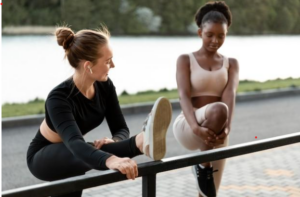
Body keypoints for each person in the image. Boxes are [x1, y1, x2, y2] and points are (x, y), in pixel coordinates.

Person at [26, 26, 172, 197]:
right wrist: (111, 159)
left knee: (89, 153)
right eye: (108, 61)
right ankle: (141, 142)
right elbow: (75, 143)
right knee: (86, 149)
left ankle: (142, 141)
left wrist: (114, 141)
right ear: (88, 66)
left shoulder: (105, 86)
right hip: (44, 157)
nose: (113, 65)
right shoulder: (58, 98)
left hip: (75, 154)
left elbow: (121, 128)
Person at [173, 1, 239, 197]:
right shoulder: (185, 59)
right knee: (219, 109)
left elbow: (230, 94)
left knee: (209, 193)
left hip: (217, 131)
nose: (215, 40)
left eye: (221, 36)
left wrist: (227, 129)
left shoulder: (231, 64)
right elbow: (183, 95)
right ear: (200, 32)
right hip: (189, 124)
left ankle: (203, 167)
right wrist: (195, 127)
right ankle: (203, 166)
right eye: (210, 35)